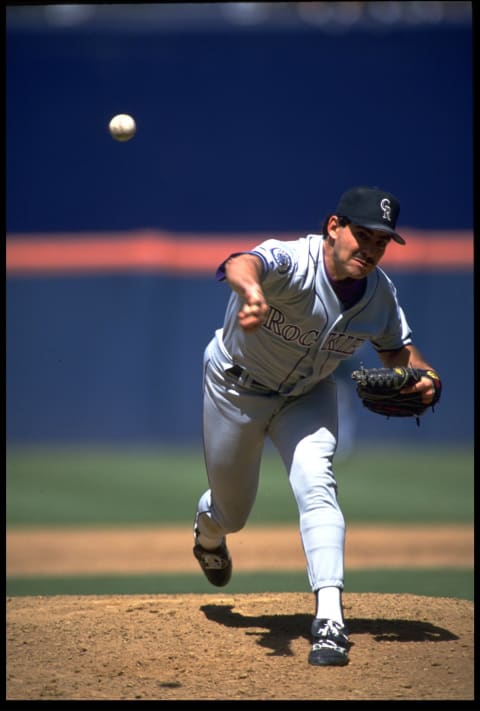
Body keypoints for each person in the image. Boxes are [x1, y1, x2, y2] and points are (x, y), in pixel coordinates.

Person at [192, 185, 441, 666]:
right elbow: (242, 262)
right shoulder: (294, 261)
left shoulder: (379, 295)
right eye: (362, 236)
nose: (370, 250)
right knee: (233, 512)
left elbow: (396, 350)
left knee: (316, 482)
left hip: (307, 396)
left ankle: (329, 619)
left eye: (381, 242)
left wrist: (424, 375)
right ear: (334, 227)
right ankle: (208, 533)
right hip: (236, 387)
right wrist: (252, 291)